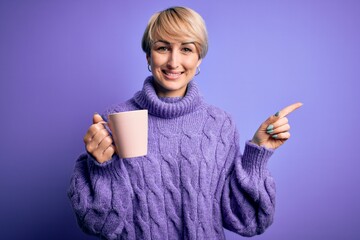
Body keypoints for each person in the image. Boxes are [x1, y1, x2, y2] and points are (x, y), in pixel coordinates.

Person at [68, 6, 302, 240]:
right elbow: (99, 225)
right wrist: (102, 168)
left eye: (186, 49)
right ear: (148, 55)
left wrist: (256, 155)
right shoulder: (114, 120)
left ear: (199, 59)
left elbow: (248, 222)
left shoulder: (220, 126)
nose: (173, 61)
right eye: (162, 48)